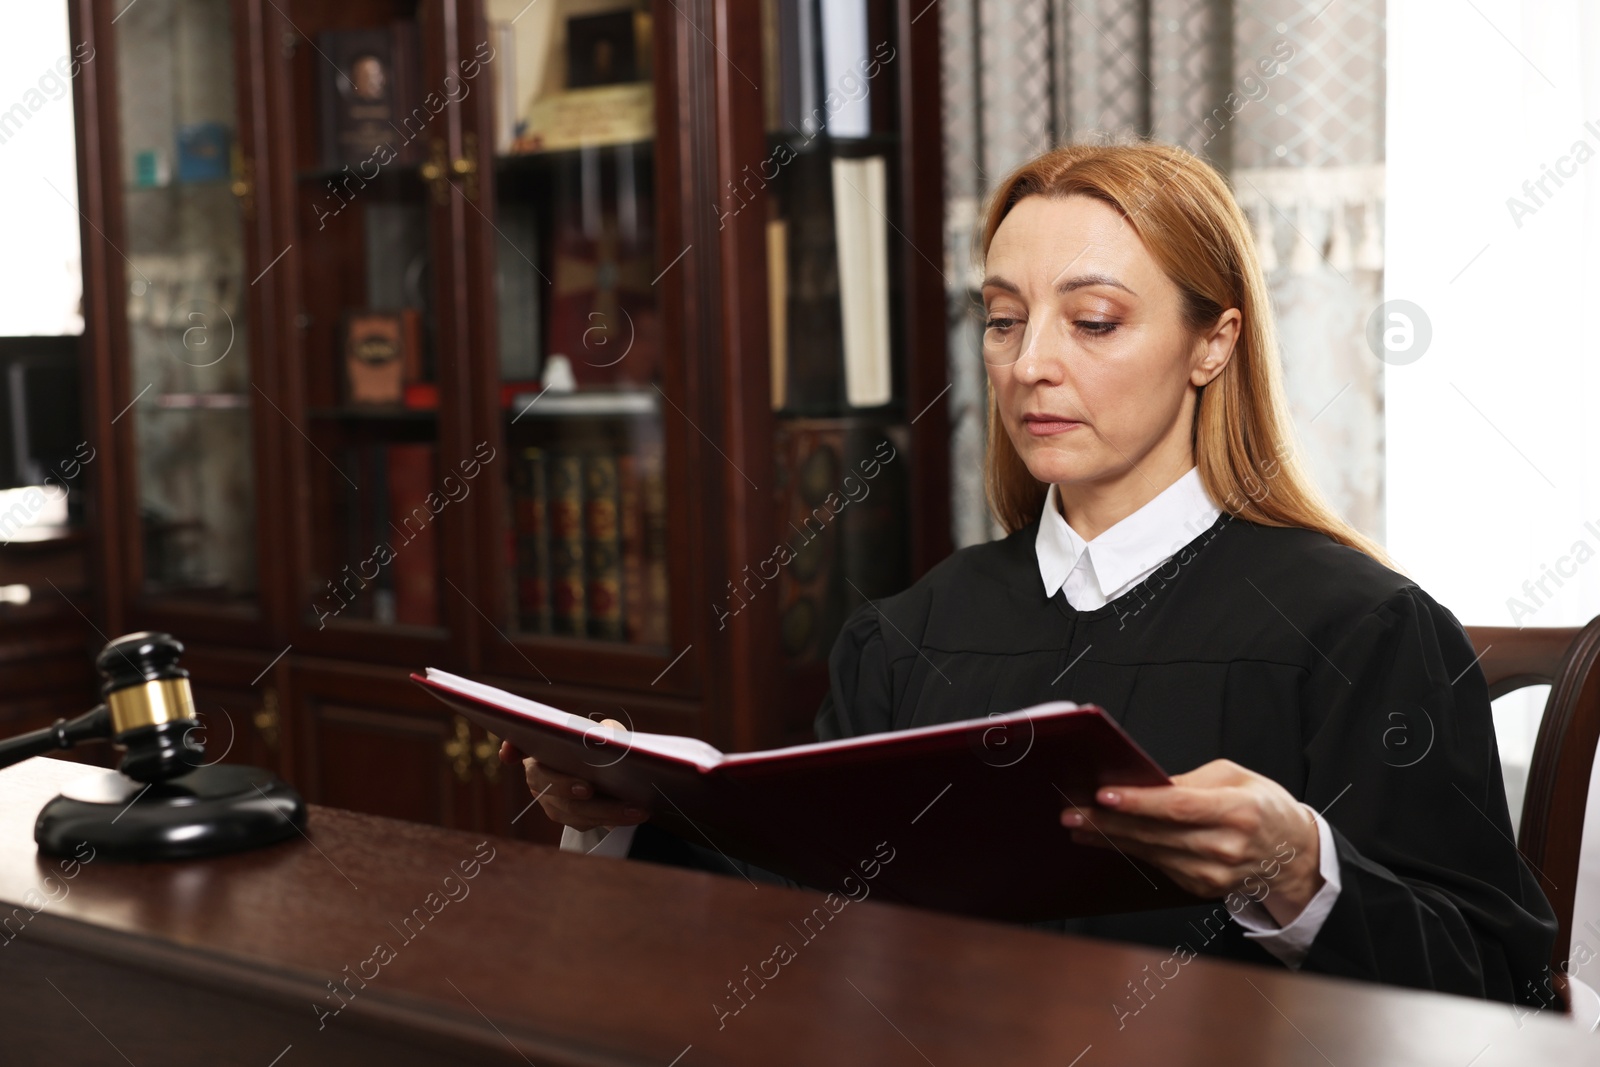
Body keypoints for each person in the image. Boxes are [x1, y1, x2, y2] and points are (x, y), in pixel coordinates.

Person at [500, 141, 1556, 1005]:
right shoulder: (912, 630)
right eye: (1003, 320)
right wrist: (626, 809)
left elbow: (1499, 994)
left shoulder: (1363, 628)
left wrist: (1298, 871)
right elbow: (793, 912)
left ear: (1212, 343)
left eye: (1093, 320)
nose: (1029, 362)